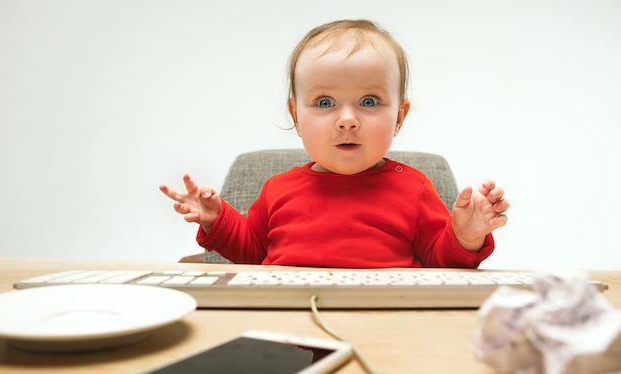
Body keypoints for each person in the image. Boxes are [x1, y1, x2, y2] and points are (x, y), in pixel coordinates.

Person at [159, 19, 509, 268]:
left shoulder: (414, 189)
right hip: (286, 319)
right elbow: (252, 252)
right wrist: (216, 220)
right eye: (325, 103)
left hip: (384, 319)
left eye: (369, 102)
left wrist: (465, 235)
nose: (347, 119)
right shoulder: (277, 190)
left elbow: (440, 264)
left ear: (399, 118)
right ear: (296, 116)